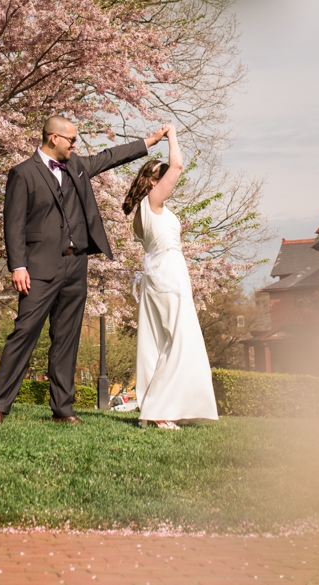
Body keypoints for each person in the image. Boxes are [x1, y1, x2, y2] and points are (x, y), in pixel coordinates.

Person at [0, 116, 171, 424]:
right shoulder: (23, 173)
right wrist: (17, 265)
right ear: (53, 138)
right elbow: (13, 223)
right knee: (24, 333)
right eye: (71, 139)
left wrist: (148, 143)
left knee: (67, 338)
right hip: (38, 268)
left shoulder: (77, 166)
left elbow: (109, 157)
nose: (75, 144)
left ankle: (62, 410)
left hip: (76, 264)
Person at [126, 124, 218, 428]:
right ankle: (159, 411)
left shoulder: (144, 211)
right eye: (163, 177)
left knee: (160, 342)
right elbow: (177, 165)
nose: (170, 182)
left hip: (159, 275)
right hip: (166, 274)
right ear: (154, 181)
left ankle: (159, 408)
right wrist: (172, 136)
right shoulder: (151, 203)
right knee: (178, 340)